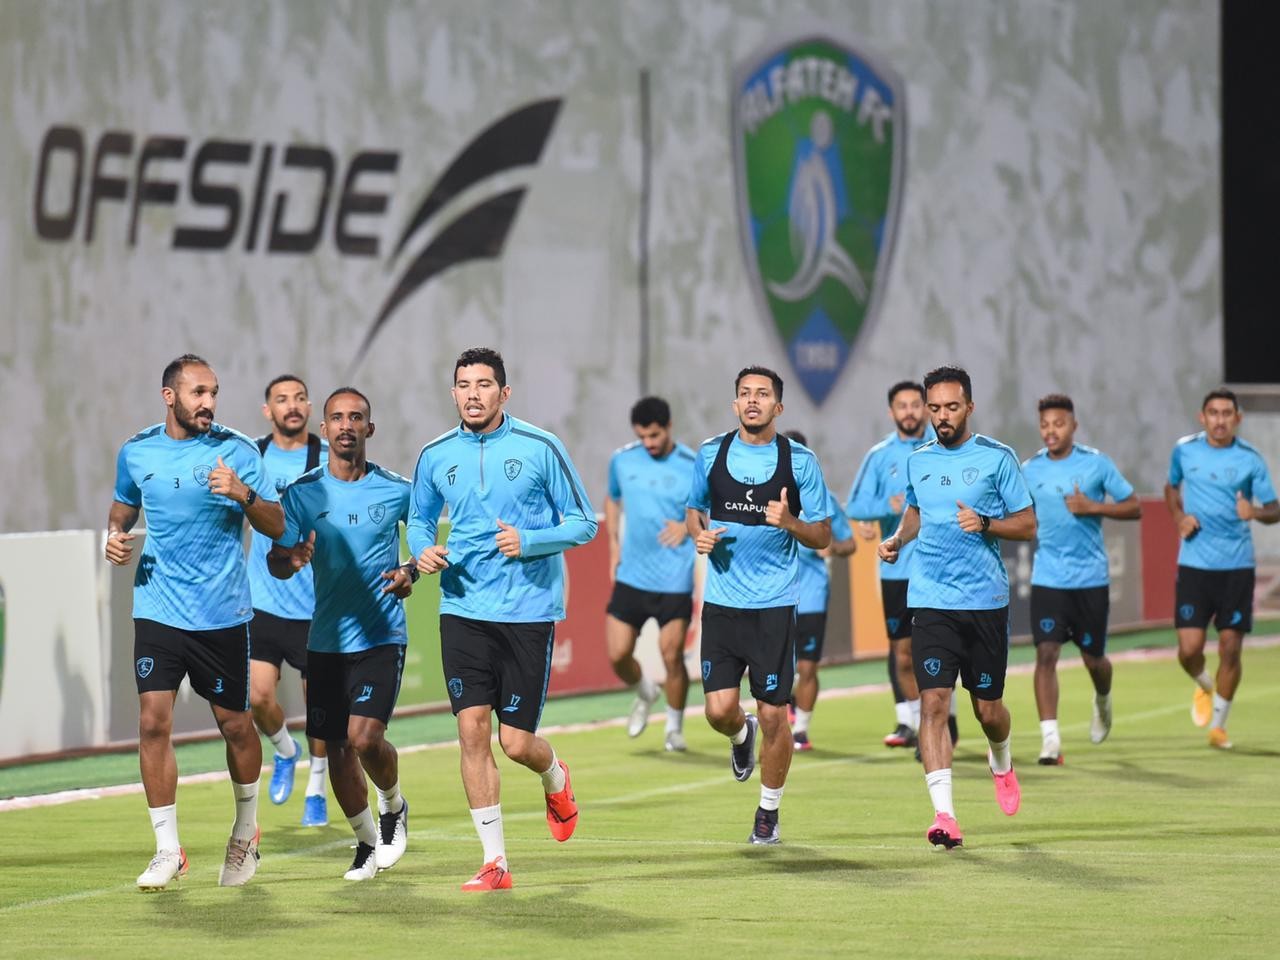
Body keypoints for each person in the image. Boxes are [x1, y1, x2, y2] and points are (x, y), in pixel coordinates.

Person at [408, 347, 596, 891]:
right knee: (471, 730)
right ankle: (495, 862)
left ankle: (555, 775)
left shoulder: (541, 447)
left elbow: (584, 522)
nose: (473, 394)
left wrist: (530, 541)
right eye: (464, 385)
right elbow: (419, 520)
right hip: (462, 608)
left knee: (514, 743)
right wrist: (422, 550)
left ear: (504, 393)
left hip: (527, 612)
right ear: (453, 393)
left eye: (484, 384)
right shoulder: (435, 454)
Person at [106, 354, 284, 891]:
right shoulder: (137, 451)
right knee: (152, 722)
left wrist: (243, 493)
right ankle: (167, 849)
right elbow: (123, 506)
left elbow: (277, 524)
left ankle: (246, 831)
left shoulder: (239, 451)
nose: (209, 402)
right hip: (157, 608)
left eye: (214, 393)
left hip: (220, 614)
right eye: (198, 393)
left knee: (236, 726)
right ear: (170, 397)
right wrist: (114, 534)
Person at [878, 365, 1036, 849]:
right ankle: (944, 815)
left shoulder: (997, 457)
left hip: (984, 601)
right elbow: (917, 511)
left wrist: (986, 523)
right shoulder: (919, 460)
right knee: (934, 703)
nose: (942, 416)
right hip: (930, 599)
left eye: (951, 407)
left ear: (969, 406)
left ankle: (1001, 760)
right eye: (935, 408)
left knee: (988, 711)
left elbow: (1027, 524)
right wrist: (898, 539)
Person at [268, 387, 415, 881]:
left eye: (356, 417)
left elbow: (424, 545)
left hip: (381, 635)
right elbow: (276, 560)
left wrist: (411, 570)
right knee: (336, 748)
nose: (346, 425)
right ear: (325, 428)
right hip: (326, 641)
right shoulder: (302, 493)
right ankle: (366, 843)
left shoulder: (397, 490)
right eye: (337, 418)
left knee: (364, 737)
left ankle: (393, 804)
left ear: (370, 428)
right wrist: (291, 559)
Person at [686, 366, 832, 845]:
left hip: (773, 606)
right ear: (735, 404)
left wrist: (791, 522)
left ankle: (768, 812)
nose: (753, 400)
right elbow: (693, 510)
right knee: (718, 711)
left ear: (778, 407)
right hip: (722, 604)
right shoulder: (711, 453)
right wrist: (699, 534)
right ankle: (739, 736)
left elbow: (823, 535)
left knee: (774, 714)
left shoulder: (800, 462)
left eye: (763, 394)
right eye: (745, 393)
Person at [1022, 394, 1141, 764]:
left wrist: (1094, 507)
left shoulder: (1096, 464)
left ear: (1073, 425)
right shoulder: (1029, 470)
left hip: (1090, 579)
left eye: (1058, 424)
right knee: (1046, 653)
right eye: (1045, 425)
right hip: (1048, 577)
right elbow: (1015, 511)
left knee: (1094, 660)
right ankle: (1051, 741)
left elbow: (1133, 506)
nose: (1051, 431)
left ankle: (1103, 699)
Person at [1164, 387, 1279, 750]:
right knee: (1188, 650)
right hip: (1195, 564)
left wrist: (1254, 512)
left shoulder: (1250, 459)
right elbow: (1171, 487)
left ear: (1237, 419)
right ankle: (1204, 684)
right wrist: (1179, 517)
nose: (1219, 420)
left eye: (1227, 413)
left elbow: (1274, 508)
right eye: (1213, 413)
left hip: (1236, 566)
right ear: (1203, 417)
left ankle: (1219, 726)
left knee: (1231, 648)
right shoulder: (1184, 450)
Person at [847, 380, 955, 752]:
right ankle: (919, 723)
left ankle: (944, 719)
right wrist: (886, 506)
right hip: (896, 572)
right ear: (891, 412)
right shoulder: (880, 456)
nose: (909, 411)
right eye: (901, 406)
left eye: (915, 404)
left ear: (926, 409)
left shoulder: (944, 449)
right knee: (904, 654)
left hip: (939, 568)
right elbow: (855, 506)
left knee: (942, 651)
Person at [246, 374, 329, 825]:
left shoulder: (327, 457)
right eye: (282, 399)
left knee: (320, 706)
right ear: (268, 410)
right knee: (258, 697)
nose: (292, 405)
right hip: (262, 600)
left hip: (316, 605)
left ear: (309, 407)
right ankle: (284, 750)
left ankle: (316, 787)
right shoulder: (252, 455)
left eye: (299, 398)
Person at [605, 397, 697, 752]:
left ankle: (674, 728)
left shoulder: (692, 464)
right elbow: (612, 499)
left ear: (669, 426)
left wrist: (687, 527)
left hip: (675, 576)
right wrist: (614, 546)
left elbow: (711, 512)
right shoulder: (621, 459)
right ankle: (646, 690)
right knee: (618, 655)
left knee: (671, 655)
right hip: (632, 575)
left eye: (655, 435)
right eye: (642, 436)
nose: (649, 443)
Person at [781, 430, 856, 751]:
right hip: (775, 595)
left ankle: (800, 731)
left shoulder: (822, 497)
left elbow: (849, 543)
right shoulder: (765, 495)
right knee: (778, 670)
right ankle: (785, 706)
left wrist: (832, 548)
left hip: (811, 595)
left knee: (808, 666)